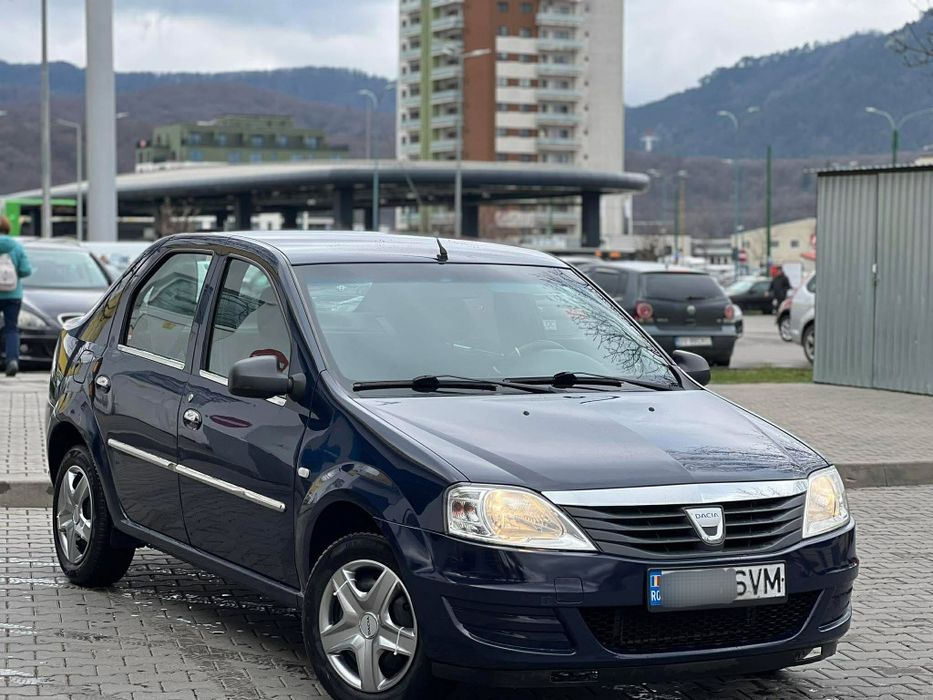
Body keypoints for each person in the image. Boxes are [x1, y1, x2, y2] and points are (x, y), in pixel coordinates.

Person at [0, 216, 32, 377]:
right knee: (11, 328)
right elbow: (26, 270)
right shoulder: (16, 247)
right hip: (13, 294)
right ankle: (12, 361)